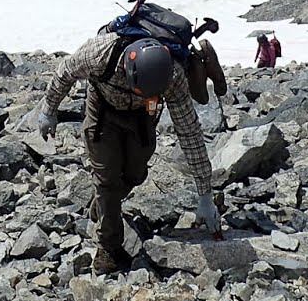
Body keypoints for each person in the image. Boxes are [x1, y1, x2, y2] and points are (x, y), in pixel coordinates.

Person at [38, 29, 222, 274]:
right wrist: (49, 111)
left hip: (143, 114)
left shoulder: (173, 76)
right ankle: (108, 249)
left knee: (136, 173)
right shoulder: (99, 54)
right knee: (107, 179)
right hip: (102, 110)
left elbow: (189, 132)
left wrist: (205, 194)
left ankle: (104, 205)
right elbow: (65, 72)